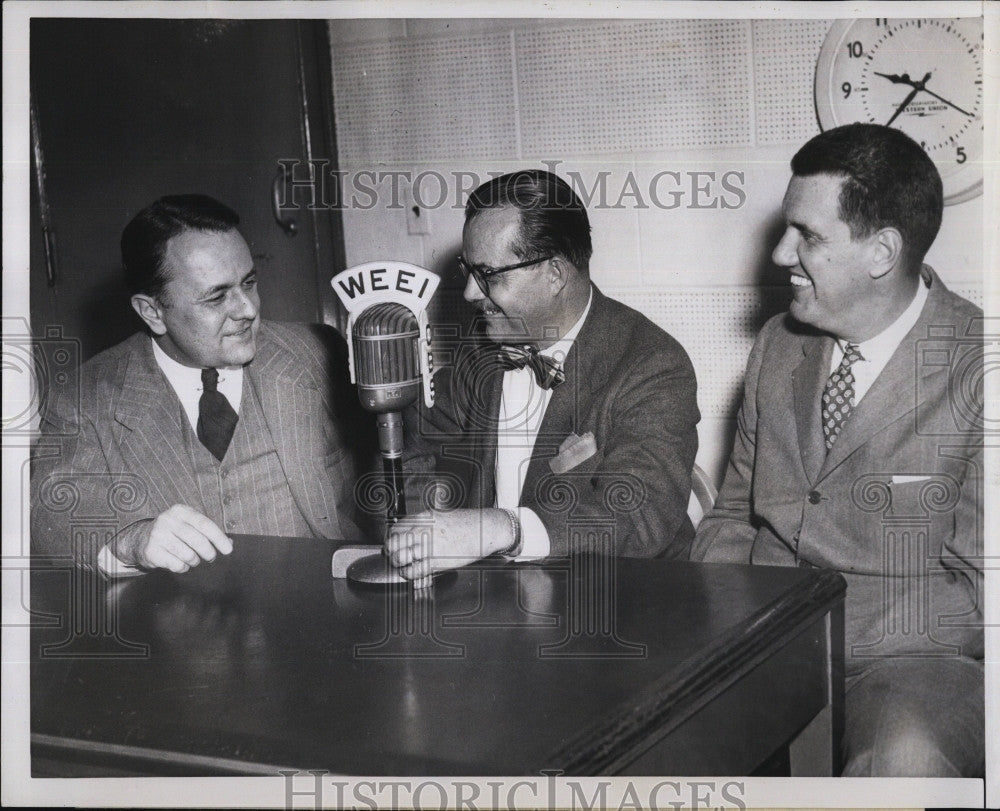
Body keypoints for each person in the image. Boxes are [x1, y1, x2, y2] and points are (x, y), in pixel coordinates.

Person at [691, 124, 983, 777]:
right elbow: (733, 515)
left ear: (881, 252)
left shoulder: (979, 367)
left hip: (910, 663)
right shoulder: (777, 342)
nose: (777, 253)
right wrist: (734, 616)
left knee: (903, 760)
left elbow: (981, 591)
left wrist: (813, 635)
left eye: (808, 236)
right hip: (759, 640)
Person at [384, 170, 699, 582]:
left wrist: (500, 527)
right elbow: (415, 431)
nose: (470, 294)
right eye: (468, 271)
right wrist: (429, 509)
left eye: (490, 276)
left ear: (554, 273)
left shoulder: (651, 364)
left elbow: (640, 514)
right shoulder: (483, 348)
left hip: (621, 600)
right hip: (502, 598)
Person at [31, 194, 371, 575]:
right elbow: (48, 511)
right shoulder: (88, 396)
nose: (247, 309)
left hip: (322, 608)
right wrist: (132, 540)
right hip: (182, 625)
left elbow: (405, 461)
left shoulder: (317, 353)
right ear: (152, 311)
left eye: (250, 282)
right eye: (216, 296)